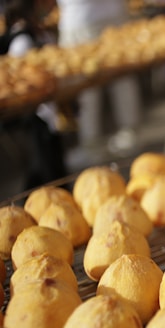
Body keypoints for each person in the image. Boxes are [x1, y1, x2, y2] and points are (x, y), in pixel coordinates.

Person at [56, 0, 142, 155]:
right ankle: (127, 134)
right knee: (119, 79)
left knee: (88, 85)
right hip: (107, 14)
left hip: (83, 18)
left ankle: (92, 145)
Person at [1, 0, 67, 189]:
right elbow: (20, 76)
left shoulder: (37, 32)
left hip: (46, 113)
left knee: (53, 163)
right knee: (44, 168)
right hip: (35, 118)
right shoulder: (22, 39)